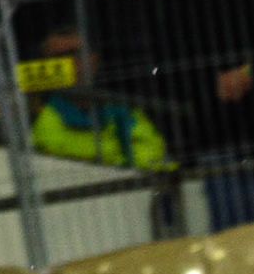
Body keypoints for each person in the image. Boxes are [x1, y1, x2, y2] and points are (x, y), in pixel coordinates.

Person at [28, 27, 170, 172]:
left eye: (77, 53)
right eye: (59, 58)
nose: (70, 63)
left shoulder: (122, 109)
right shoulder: (42, 120)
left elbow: (153, 150)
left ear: (94, 58)